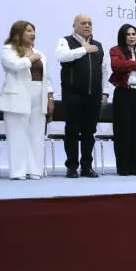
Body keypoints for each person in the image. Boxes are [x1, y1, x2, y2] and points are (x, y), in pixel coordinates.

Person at [54, 13, 109, 179]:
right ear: (74, 25)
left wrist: (105, 91)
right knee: (72, 131)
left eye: (89, 23)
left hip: (93, 96)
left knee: (89, 132)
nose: (87, 26)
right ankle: (71, 167)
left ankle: (87, 167)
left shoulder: (98, 45)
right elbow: (61, 57)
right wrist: (84, 49)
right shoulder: (65, 41)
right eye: (83, 23)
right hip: (72, 95)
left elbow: (104, 70)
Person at [0, 21, 53, 180]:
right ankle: (18, 171)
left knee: (36, 134)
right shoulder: (8, 50)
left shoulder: (39, 53)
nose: (32, 33)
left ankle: (35, 170)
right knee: (17, 134)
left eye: (33, 31)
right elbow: (14, 66)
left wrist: (50, 96)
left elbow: (47, 77)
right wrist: (30, 59)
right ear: (18, 33)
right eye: (28, 30)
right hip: (18, 96)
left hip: (39, 95)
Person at [108, 24, 136, 176]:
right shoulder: (116, 51)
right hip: (123, 93)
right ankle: (123, 167)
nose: (131, 37)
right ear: (123, 36)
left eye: (134, 34)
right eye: (128, 34)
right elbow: (117, 66)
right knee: (122, 131)